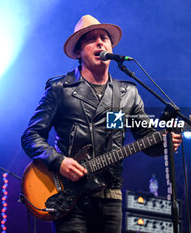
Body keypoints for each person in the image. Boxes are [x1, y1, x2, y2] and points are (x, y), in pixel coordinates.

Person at [21, 15, 182, 233]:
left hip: (110, 197)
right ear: (78, 52)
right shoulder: (60, 89)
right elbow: (31, 136)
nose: (100, 43)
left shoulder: (129, 93)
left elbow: (147, 140)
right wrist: (59, 162)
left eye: (104, 38)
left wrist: (165, 143)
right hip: (70, 197)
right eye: (91, 39)